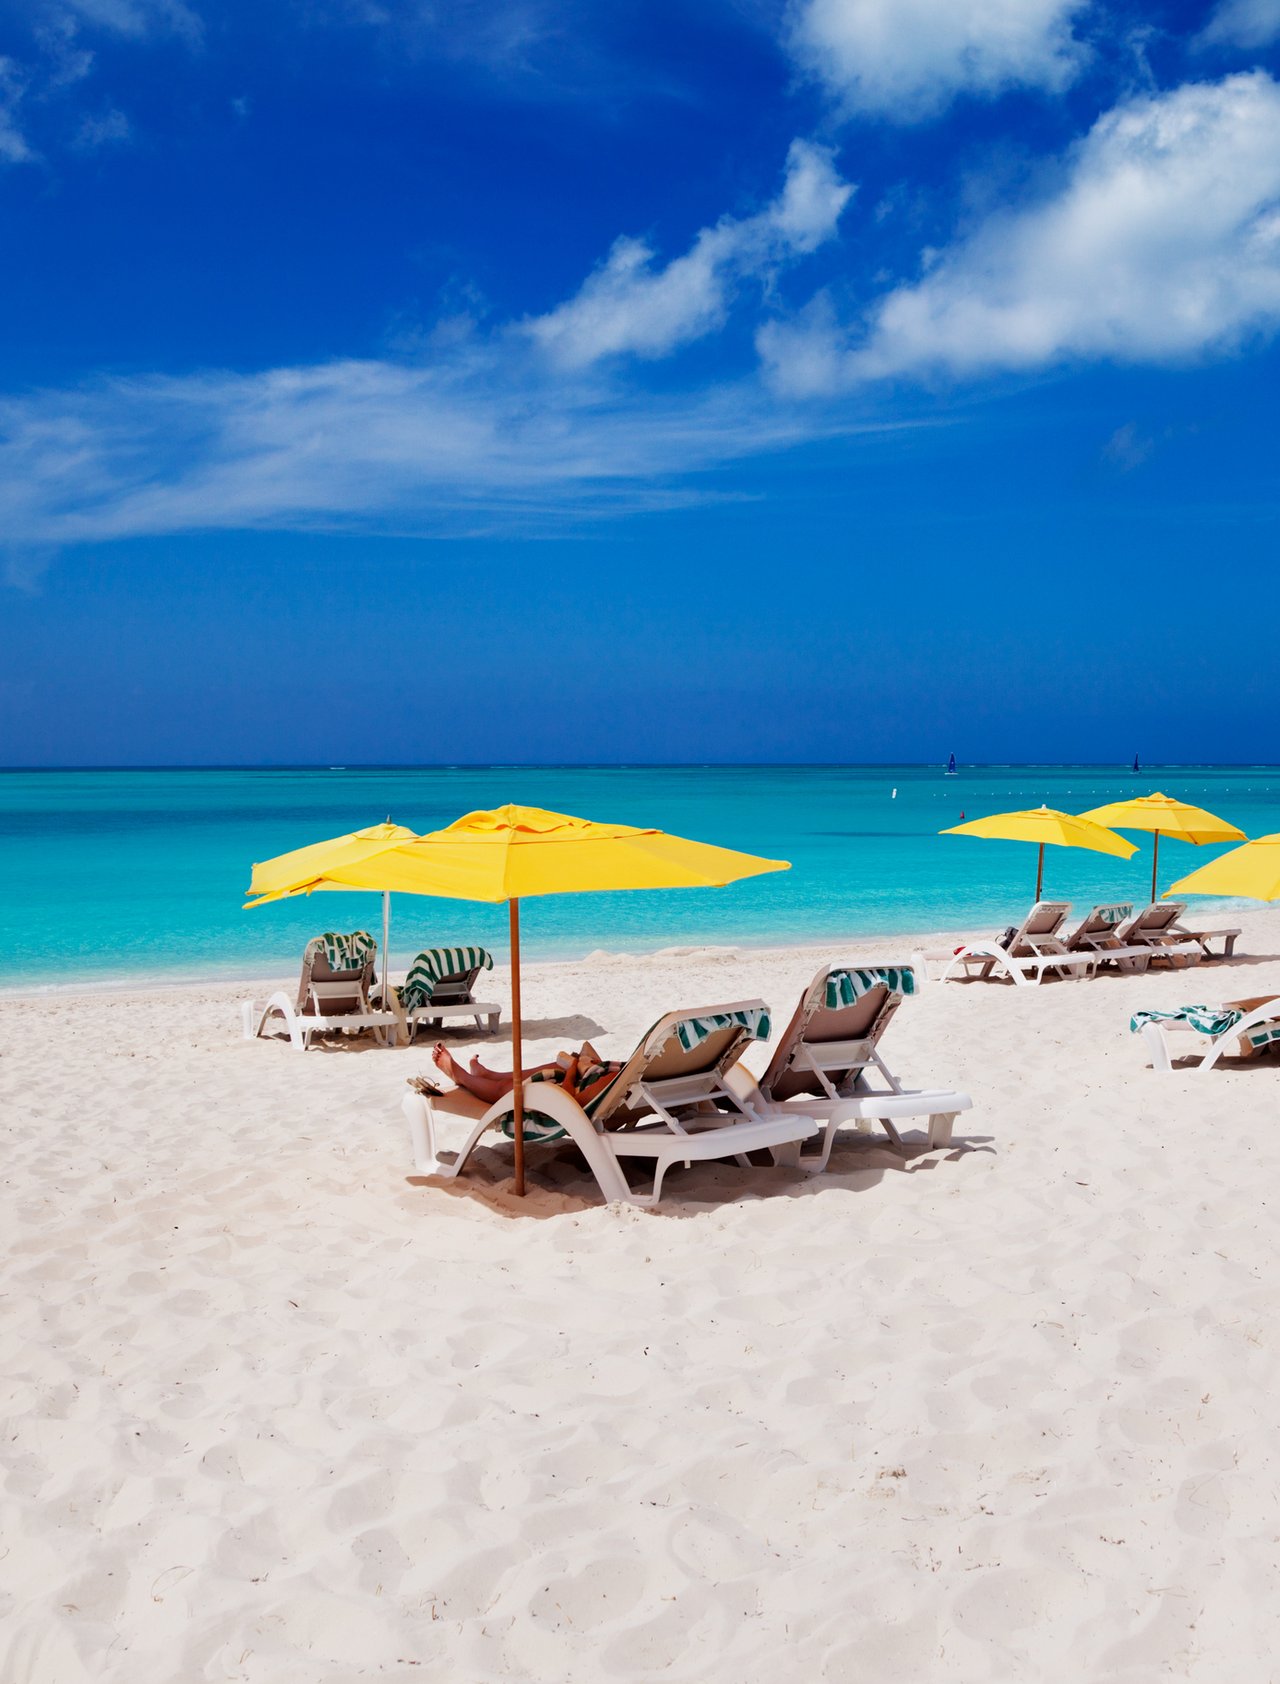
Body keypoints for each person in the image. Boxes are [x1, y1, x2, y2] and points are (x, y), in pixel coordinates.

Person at [432, 1040, 621, 1107]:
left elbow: (572, 1101)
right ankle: (489, 1075)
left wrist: (573, 1071)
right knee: (557, 1066)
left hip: (566, 1099)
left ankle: (462, 1077)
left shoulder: (618, 1079)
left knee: (513, 1090)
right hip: (592, 1080)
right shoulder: (639, 1075)